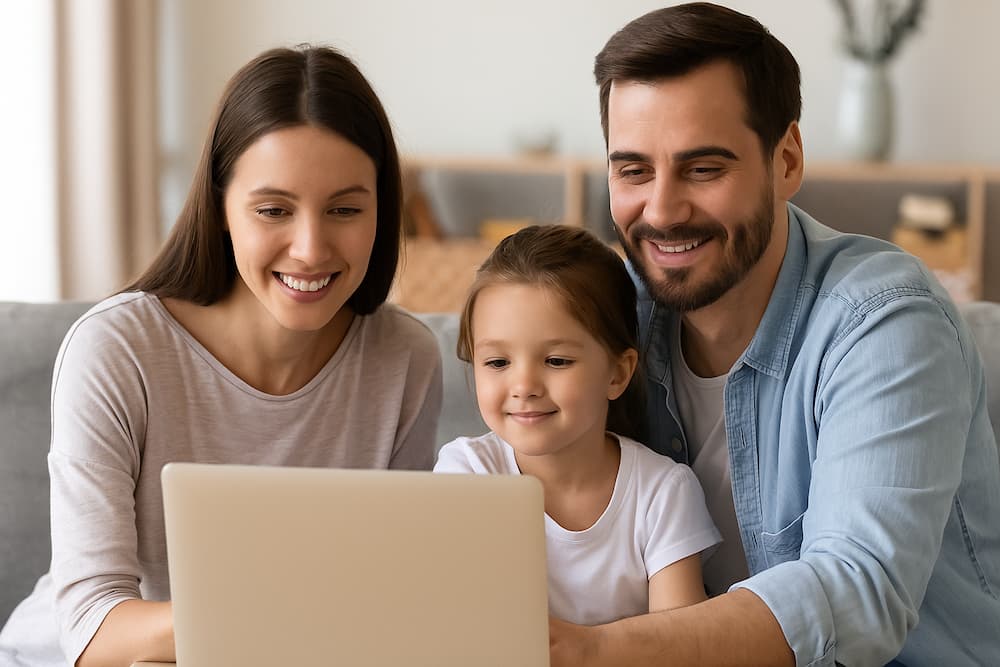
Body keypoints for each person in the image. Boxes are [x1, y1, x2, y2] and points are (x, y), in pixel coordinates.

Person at [548, 3, 1000, 666]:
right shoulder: (618, 315)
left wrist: (595, 650)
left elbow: (858, 591)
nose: (663, 211)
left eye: (704, 169)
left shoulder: (885, 320)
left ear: (786, 159)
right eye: (633, 170)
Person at [0, 46, 442, 667]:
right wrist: (286, 617)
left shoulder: (404, 359)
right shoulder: (118, 351)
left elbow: (388, 588)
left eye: (345, 209)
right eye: (273, 210)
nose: (311, 249)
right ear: (222, 208)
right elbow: (91, 627)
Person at [434, 224, 721, 627]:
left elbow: (680, 642)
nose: (524, 387)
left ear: (617, 374)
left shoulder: (661, 493)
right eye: (498, 363)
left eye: (556, 361)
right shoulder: (468, 473)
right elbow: (455, 624)